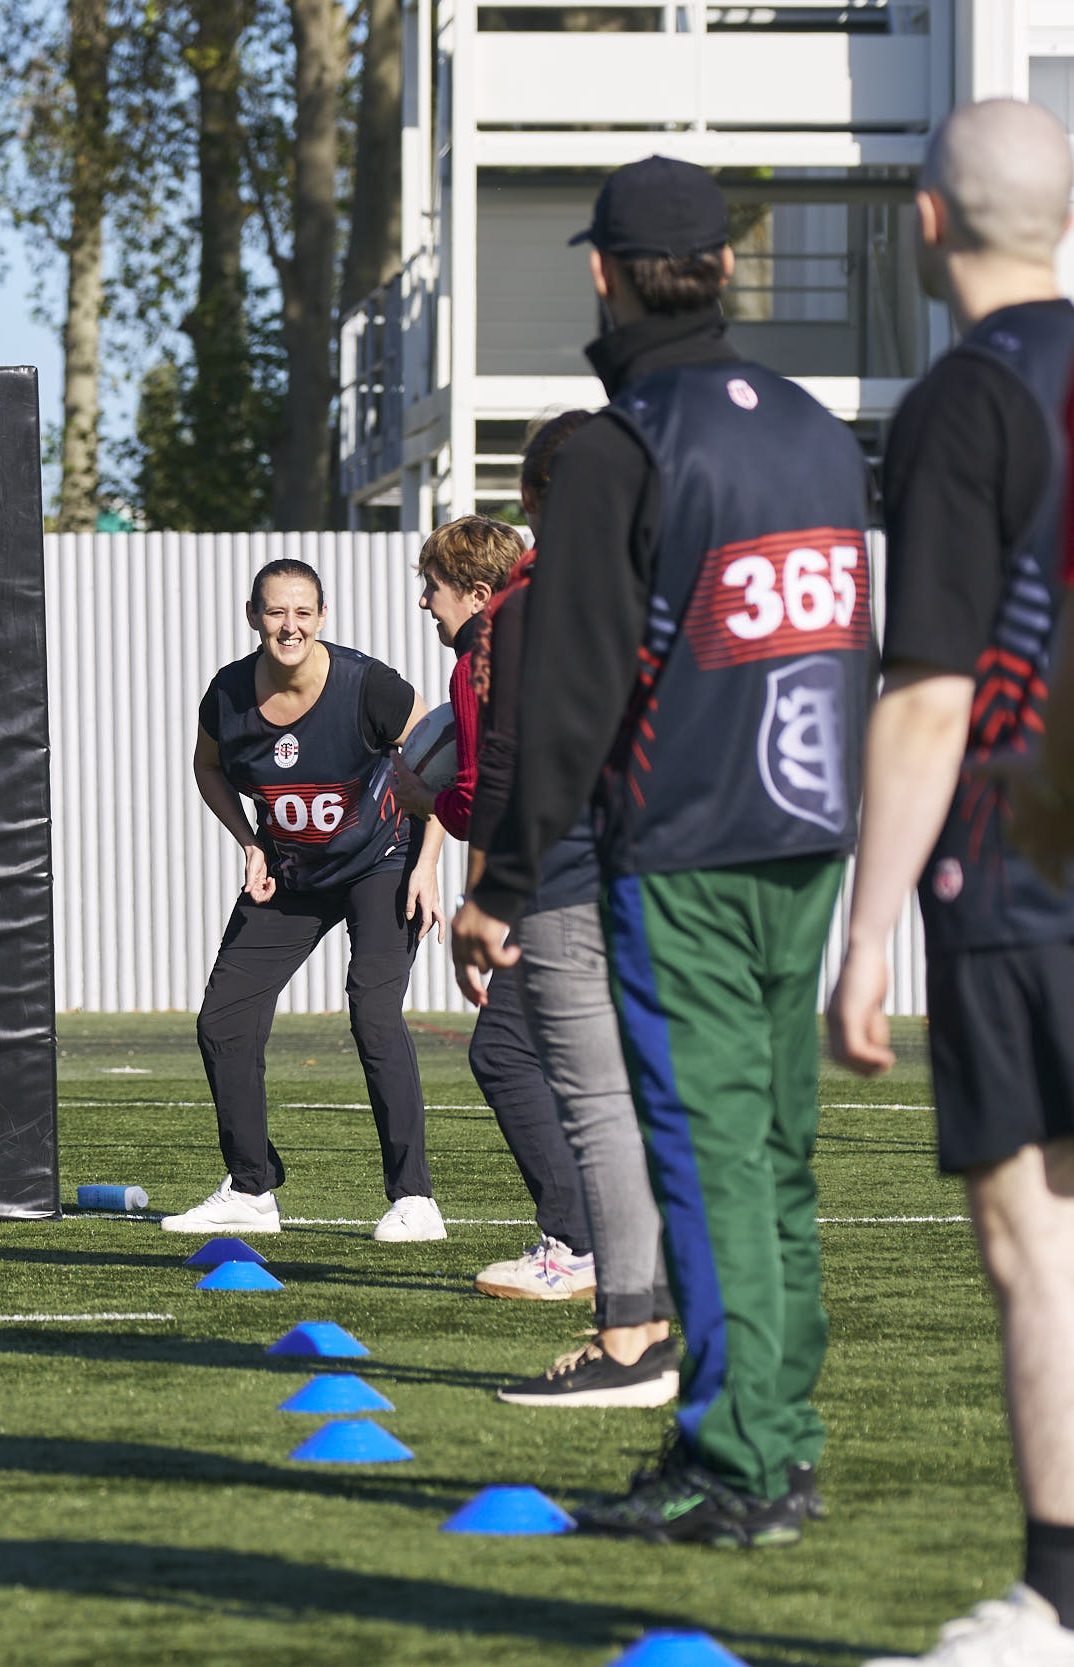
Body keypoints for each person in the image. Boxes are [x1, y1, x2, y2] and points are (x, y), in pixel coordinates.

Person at [451, 155, 871, 1546]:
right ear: (729, 267)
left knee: (701, 1152)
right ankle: (781, 1440)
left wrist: (501, 887)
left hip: (683, 847)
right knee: (779, 1152)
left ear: (603, 270)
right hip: (806, 838)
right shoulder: (815, 430)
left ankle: (736, 1459)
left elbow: (567, 692)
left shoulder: (629, 439)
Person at [829, 101, 1074, 1664]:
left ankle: (1057, 1596)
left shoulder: (964, 406)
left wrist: (865, 936)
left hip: (1027, 873)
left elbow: (928, 691)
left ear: (927, 225)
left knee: (1035, 1238)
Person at [478, 413, 681, 1411]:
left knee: (599, 1102)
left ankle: (630, 1332)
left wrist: (491, 894)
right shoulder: (670, 592)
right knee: (674, 1106)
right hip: (676, 871)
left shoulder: (527, 605)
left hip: (566, 872)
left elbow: (517, 760)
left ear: (531, 499)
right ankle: (688, 1329)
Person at [166, 557, 449, 1243]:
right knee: (222, 1018)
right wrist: (249, 842)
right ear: (252, 616)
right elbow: (207, 767)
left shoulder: (369, 687)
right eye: (274, 611)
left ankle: (414, 1198)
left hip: (382, 862)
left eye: (301, 611)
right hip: (290, 871)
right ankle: (251, 1185)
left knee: (373, 1010)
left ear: (321, 618)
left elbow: (440, 758)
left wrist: (429, 864)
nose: (288, 624)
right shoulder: (228, 695)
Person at [394, 516, 596, 1301]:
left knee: (504, 1052)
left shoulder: (488, 649)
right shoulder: (567, 638)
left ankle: (576, 1244)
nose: (423, 602)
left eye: (433, 587)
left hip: (566, 879)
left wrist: (428, 796)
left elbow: (490, 792)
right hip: (614, 872)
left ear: (478, 592)